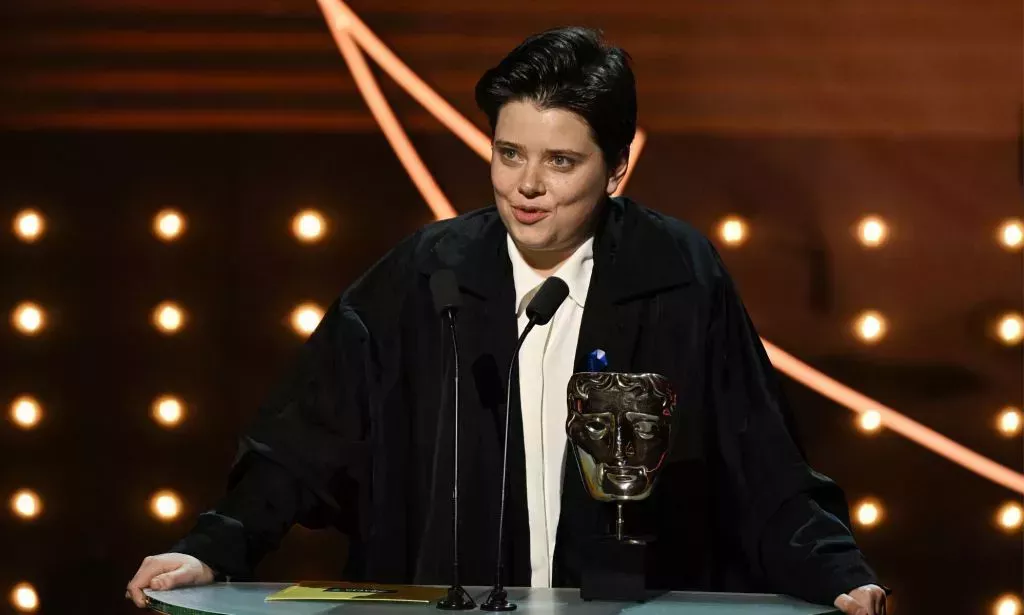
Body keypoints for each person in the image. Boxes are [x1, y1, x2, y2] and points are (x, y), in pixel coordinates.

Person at [127, 26, 888, 615]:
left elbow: (764, 468)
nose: (526, 186)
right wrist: (211, 549)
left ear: (617, 168)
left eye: (561, 162)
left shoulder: (676, 274)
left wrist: (841, 576)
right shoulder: (430, 273)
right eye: (508, 153)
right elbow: (300, 447)